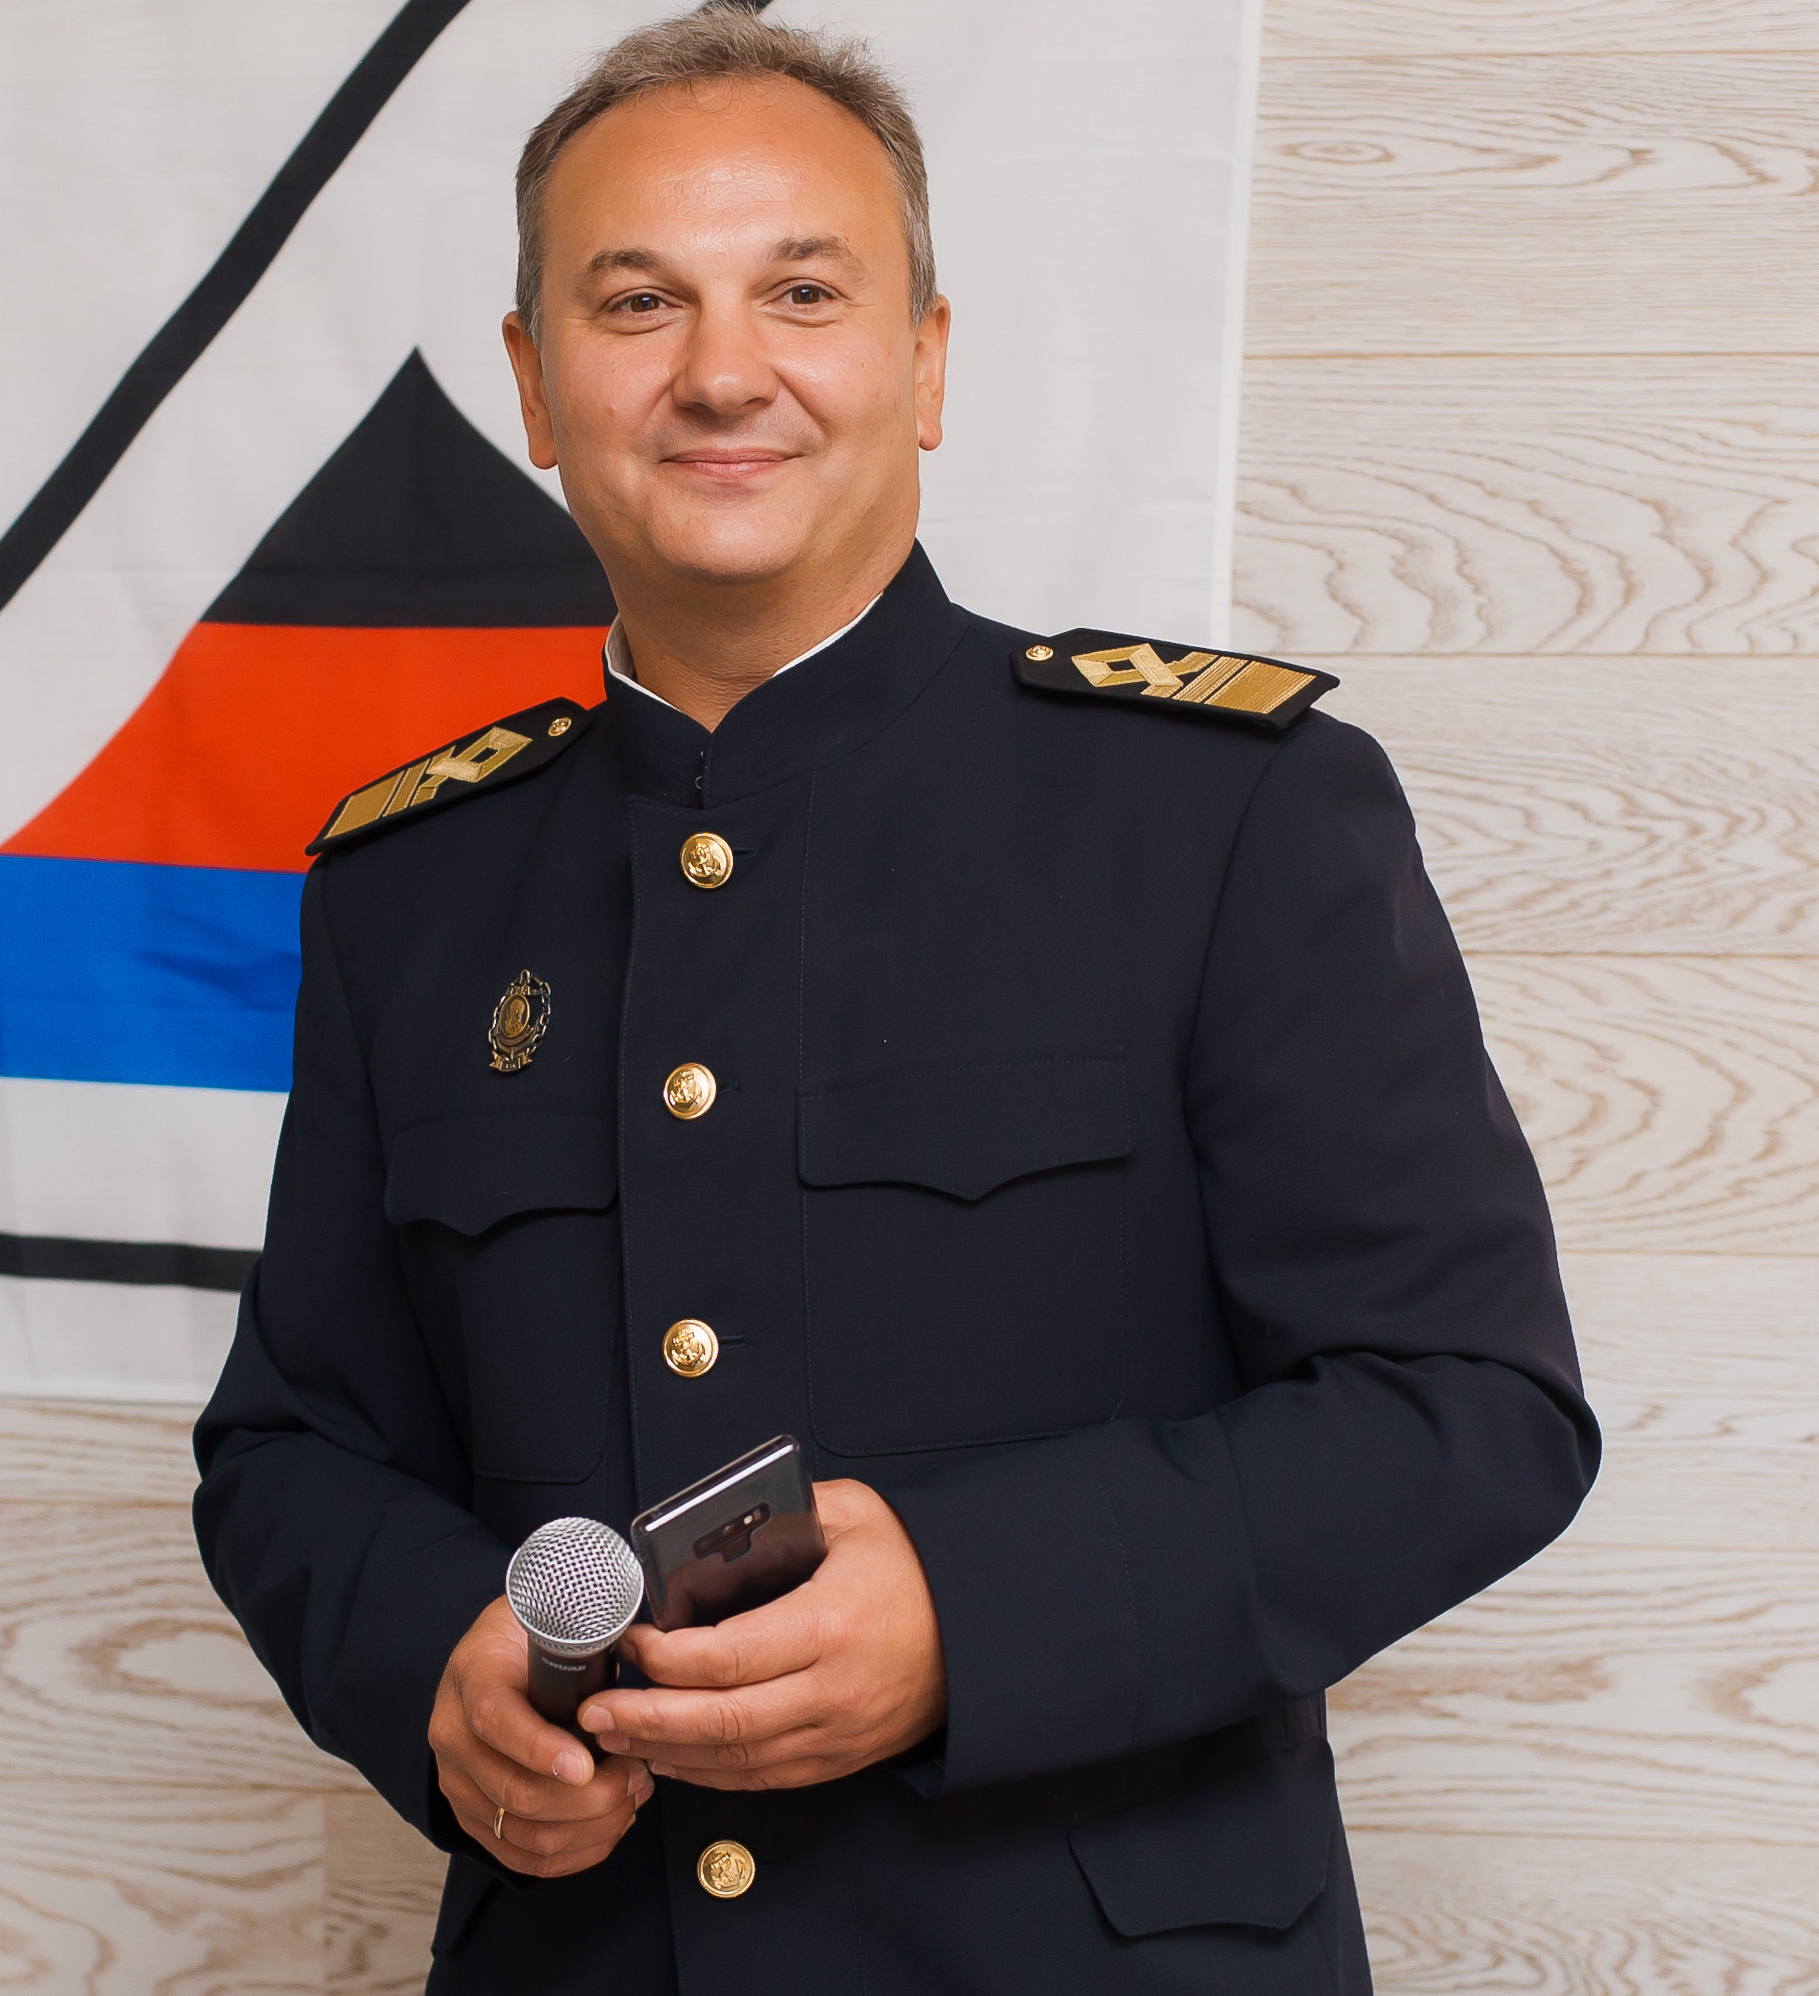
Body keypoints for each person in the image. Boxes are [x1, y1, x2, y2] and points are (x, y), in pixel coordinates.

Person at [190, 5, 1597, 1990]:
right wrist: (439, 1666)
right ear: (533, 384)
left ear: (926, 362)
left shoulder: (1223, 814)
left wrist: (972, 1607)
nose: (721, 370)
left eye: (803, 292)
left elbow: (1469, 1408)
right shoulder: (411, 888)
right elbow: (294, 1443)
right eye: (636, 302)